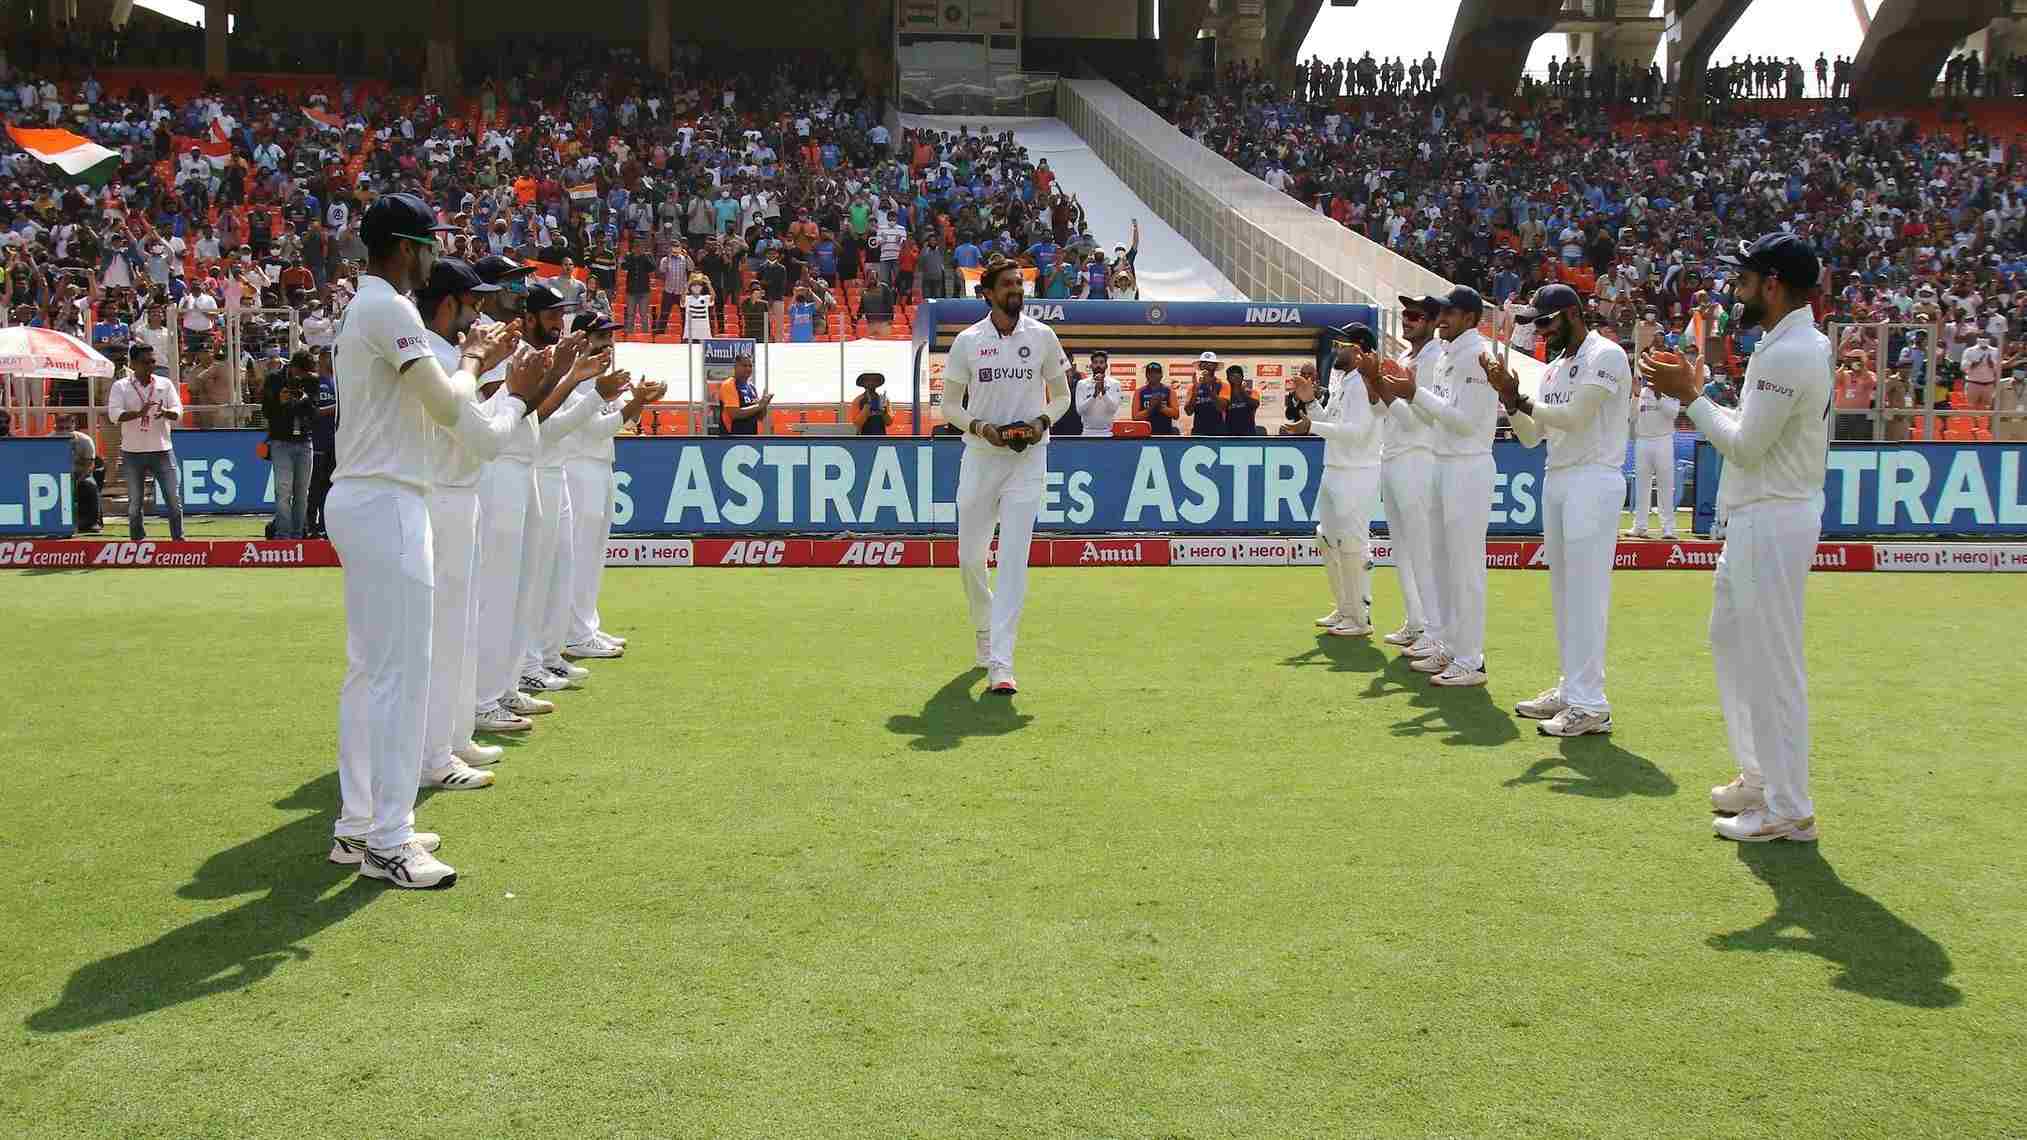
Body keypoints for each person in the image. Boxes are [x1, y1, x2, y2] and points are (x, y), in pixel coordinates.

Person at [325, 192, 517, 890]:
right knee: (399, 678)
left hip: (369, 495)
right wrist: (469, 361)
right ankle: (387, 839)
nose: (432, 260)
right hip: (387, 498)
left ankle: (359, 827)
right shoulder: (387, 307)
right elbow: (444, 404)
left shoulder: (370, 306)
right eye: (428, 246)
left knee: (371, 673)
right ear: (405, 249)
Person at [1640, 232, 1832, 844]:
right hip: (1761, 513)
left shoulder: (1788, 351)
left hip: (1773, 516)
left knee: (1773, 660)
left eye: (1745, 279)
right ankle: (1761, 775)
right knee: (1729, 637)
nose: (1736, 289)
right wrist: (1699, 397)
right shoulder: (1788, 342)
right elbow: (1753, 436)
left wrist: (1690, 397)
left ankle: (1788, 807)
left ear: (1773, 284)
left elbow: (1746, 447)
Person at [415, 257, 544, 791]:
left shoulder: (450, 355)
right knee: (445, 631)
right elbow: (486, 436)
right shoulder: (441, 358)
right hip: (442, 495)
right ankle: (433, 751)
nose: (483, 313)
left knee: (461, 627)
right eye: (475, 304)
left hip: (458, 494)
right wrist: (516, 390)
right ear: (449, 306)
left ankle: (453, 735)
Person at [1486, 284, 1631, 737]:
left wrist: (1522, 398)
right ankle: (1573, 690)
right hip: (1560, 476)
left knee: (1586, 594)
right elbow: (1532, 437)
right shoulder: (1553, 370)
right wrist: (1509, 400)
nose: (1541, 332)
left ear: (1571, 314)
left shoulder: (1605, 356)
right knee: (1566, 595)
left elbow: (1576, 418)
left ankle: (1592, 705)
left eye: (1546, 322)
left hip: (1593, 477)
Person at [938, 259, 1072, 694]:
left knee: (1013, 560)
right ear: (988, 293)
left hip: (1029, 459)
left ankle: (1001, 662)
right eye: (1008, 284)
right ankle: (984, 630)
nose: (1016, 289)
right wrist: (982, 428)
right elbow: (951, 407)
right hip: (980, 456)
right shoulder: (967, 341)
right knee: (969, 558)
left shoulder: (1042, 335)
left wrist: (1040, 423)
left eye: (1019, 283)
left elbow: (1063, 396)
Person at [1386, 286, 1498, 687]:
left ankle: (1472, 659)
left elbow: (1466, 422)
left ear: (1470, 317)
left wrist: (1415, 394)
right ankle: (1451, 647)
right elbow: (1436, 419)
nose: (1442, 318)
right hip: (1443, 461)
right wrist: (1407, 397)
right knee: (1443, 563)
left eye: (1450, 312)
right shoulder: (1453, 354)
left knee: (1465, 567)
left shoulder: (1477, 354)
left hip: (1467, 465)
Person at [1291, 323, 1384, 637]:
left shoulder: (1364, 383)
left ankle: (1360, 618)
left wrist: (1311, 427)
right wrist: (1310, 403)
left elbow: (1357, 435)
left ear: (1359, 350)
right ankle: (1344, 608)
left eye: (1340, 344)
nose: (1334, 350)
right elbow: (1330, 421)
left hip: (1358, 471)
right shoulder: (1344, 379)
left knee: (1352, 544)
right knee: (1326, 538)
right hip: (1335, 468)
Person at [1380, 295, 1444, 649]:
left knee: (1421, 548)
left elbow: (1420, 420)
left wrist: (1386, 391)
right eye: (1405, 314)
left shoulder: (1435, 357)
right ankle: (1416, 622)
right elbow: (1389, 414)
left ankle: (1434, 632)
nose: (1407, 320)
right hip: (1392, 455)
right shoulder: (1405, 357)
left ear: (1432, 321)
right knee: (1401, 548)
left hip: (1418, 456)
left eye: (1416, 315)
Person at [107, 342, 184, 541]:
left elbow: (178, 411)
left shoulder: (164, 384)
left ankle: (179, 541)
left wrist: (166, 412)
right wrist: (139, 413)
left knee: (173, 500)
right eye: (145, 362)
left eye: (153, 361)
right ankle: (137, 542)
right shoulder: (120, 386)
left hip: (162, 449)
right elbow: (114, 415)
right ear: (133, 364)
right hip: (133, 452)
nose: (151, 366)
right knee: (134, 504)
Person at [262, 351, 319, 539]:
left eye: (307, 374)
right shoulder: (274, 380)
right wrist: (280, 401)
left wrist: (304, 400)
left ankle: (298, 535)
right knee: (283, 490)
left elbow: (314, 413)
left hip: (304, 441)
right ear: (294, 367)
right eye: (302, 373)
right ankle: (283, 535)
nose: (303, 377)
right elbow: (266, 411)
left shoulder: (312, 381)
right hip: (281, 441)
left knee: (302, 492)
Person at [1629, 370, 1682, 540]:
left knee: (1666, 486)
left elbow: (1673, 413)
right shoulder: (1642, 393)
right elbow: (1631, 417)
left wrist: (1659, 397)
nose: (1649, 380)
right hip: (1643, 441)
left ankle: (1668, 528)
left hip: (1663, 440)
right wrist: (1636, 396)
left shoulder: (1670, 391)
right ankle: (1639, 526)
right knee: (1642, 486)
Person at [65, 415, 102, 533]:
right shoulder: (49, 439)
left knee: (89, 485)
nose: (64, 430)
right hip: (56, 476)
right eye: (61, 427)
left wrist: (77, 480)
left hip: (81, 474)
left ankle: (93, 522)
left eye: (67, 427)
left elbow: (89, 466)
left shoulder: (85, 440)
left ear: (73, 425)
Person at [717, 352, 769, 434]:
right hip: (732, 439)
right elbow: (734, 414)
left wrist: (764, 404)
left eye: (750, 366)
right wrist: (759, 406)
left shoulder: (752, 387)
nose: (748, 369)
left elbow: (760, 417)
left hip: (750, 439)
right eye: (744, 365)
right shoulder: (729, 385)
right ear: (736, 367)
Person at [1075, 350, 1122, 436]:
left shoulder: (1115, 383)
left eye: (1101, 362)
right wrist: (1094, 395)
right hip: (1087, 433)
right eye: (1095, 362)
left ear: (1106, 365)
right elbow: (1080, 411)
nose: (1098, 365)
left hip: (1107, 433)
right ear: (1091, 365)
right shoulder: (1082, 384)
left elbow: (1114, 409)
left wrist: (1104, 393)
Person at [1186, 351, 1229, 435]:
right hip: (1198, 432)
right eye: (1203, 364)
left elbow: (1221, 408)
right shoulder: (1193, 386)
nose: (1206, 366)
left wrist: (1208, 388)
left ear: (1215, 366)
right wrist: (1195, 392)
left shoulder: (1223, 385)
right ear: (1200, 366)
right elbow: (1188, 412)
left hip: (1218, 432)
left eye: (1210, 364)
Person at [1134, 361, 1179, 434]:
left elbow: (1176, 415)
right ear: (1146, 375)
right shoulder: (1139, 392)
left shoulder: (1169, 391)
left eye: (1156, 372)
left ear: (1161, 375)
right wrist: (1150, 409)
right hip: (1145, 435)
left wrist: (1162, 407)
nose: (1153, 375)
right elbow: (1135, 417)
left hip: (1165, 434)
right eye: (1150, 373)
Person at [1224, 365, 1260, 435]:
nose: (1235, 378)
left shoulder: (1252, 392)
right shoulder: (1224, 393)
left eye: (1238, 376)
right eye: (1232, 376)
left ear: (1242, 377)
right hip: (1229, 433)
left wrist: (1242, 392)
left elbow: (1255, 404)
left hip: (1248, 433)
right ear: (1227, 378)